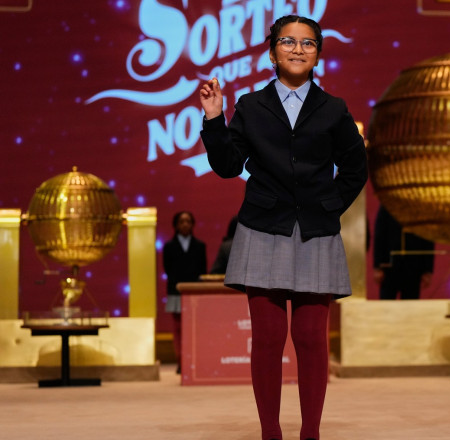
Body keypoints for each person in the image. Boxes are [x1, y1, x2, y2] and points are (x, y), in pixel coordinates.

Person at [199, 15, 367, 440]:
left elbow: (355, 168)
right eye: (288, 42)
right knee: (268, 338)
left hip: (316, 231)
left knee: (310, 338)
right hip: (263, 229)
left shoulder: (334, 108)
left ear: (318, 55)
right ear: (272, 52)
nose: (297, 49)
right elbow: (228, 166)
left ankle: (311, 432)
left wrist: (328, 206)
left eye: (307, 43)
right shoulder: (251, 105)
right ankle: (269, 432)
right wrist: (215, 119)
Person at [162, 210, 207, 374]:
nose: (185, 224)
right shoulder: (169, 247)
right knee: (178, 329)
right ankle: (181, 361)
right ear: (176, 225)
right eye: (181, 221)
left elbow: (203, 270)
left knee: (195, 329)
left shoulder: (200, 246)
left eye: (188, 221)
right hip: (176, 292)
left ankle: (195, 361)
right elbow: (167, 269)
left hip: (195, 293)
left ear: (192, 224)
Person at [372, 205, 435, 299]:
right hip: (389, 267)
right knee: (386, 304)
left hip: (414, 267)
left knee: (411, 305)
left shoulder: (422, 207)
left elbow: (428, 239)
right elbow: (380, 236)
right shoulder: (388, 205)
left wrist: (427, 269)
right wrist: (378, 266)